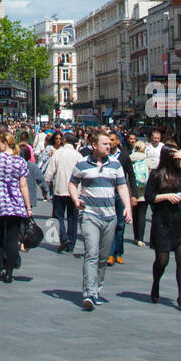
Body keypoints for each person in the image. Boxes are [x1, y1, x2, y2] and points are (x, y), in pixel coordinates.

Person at [68, 128, 132, 311]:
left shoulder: (115, 165)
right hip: (90, 215)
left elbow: (122, 188)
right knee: (92, 253)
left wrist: (127, 208)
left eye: (110, 143)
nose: (109, 146)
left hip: (110, 216)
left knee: (103, 257)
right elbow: (72, 183)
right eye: (105, 143)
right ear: (94, 145)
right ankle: (89, 294)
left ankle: (97, 289)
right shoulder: (82, 164)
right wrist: (75, 199)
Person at [145, 143, 181, 311]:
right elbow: (149, 197)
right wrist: (166, 196)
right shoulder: (156, 174)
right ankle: (156, 283)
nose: (177, 157)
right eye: (174, 154)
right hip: (162, 221)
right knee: (162, 260)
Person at [0, 126, 31, 284]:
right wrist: (28, 207)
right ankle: (9, 274)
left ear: (4, 143)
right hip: (15, 202)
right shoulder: (20, 161)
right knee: (12, 240)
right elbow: (23, 185)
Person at [44, 133, 80, 252]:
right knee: (72, 217)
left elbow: (50, 172)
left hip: (60, 189)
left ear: (64, 141)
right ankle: (71, 243)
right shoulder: (78, 155)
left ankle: (63, 237)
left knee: (58, 215)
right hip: (74, 191)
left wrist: (46, 183)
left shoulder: (58, 153)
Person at [107, 131, 139, 266]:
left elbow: (131, 175)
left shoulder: (124, 156)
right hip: (107, 194)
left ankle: (118, 253)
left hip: (120, 194)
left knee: (120, 224)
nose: (110, 143)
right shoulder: (103, 156)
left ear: (118, 142)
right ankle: (109, 253)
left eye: (113, 140)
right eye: (109, 140)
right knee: (109, 224)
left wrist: (134, 195)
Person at [130, 140, 150, 246]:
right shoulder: (147, 160)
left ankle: (136, 237)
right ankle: (141, 238)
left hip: (133, 191)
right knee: (142, 214)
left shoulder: (130, 158)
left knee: (135, 214)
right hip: (144, 191)